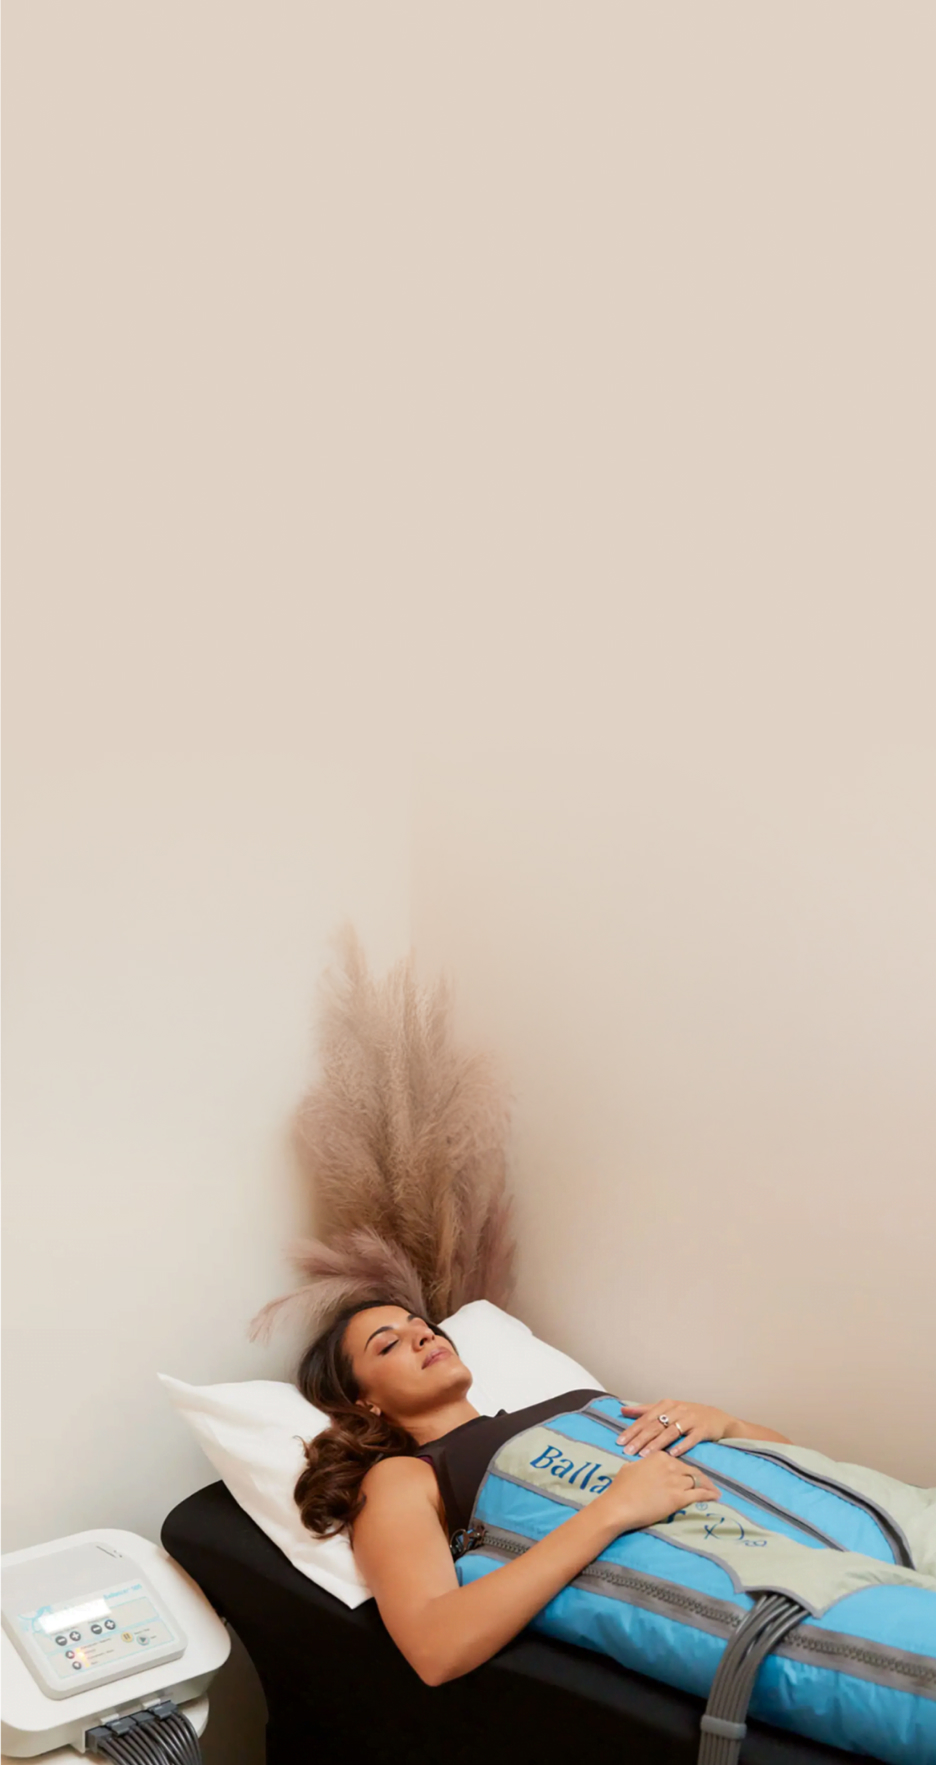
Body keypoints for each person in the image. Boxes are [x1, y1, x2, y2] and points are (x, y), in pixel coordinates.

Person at [294, 1297, 793, 1688]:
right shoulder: (406, 1475)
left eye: (418, 1324)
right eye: (388, 1344)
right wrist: (613, 1511)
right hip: (730, 1582)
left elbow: (798, 1471)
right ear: (365, 1403)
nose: (422, 1334)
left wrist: (726, 1424)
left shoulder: (572, 1406)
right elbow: (434, 1647)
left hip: (779, 1534)